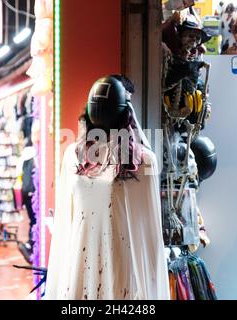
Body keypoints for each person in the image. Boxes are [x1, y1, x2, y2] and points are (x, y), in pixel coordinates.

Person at [45, 75, 169, 299]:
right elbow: (66, 222)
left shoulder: (140, 162)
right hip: (95, 268)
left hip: (108, 268)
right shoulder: (74, 155)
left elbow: (150, 233)